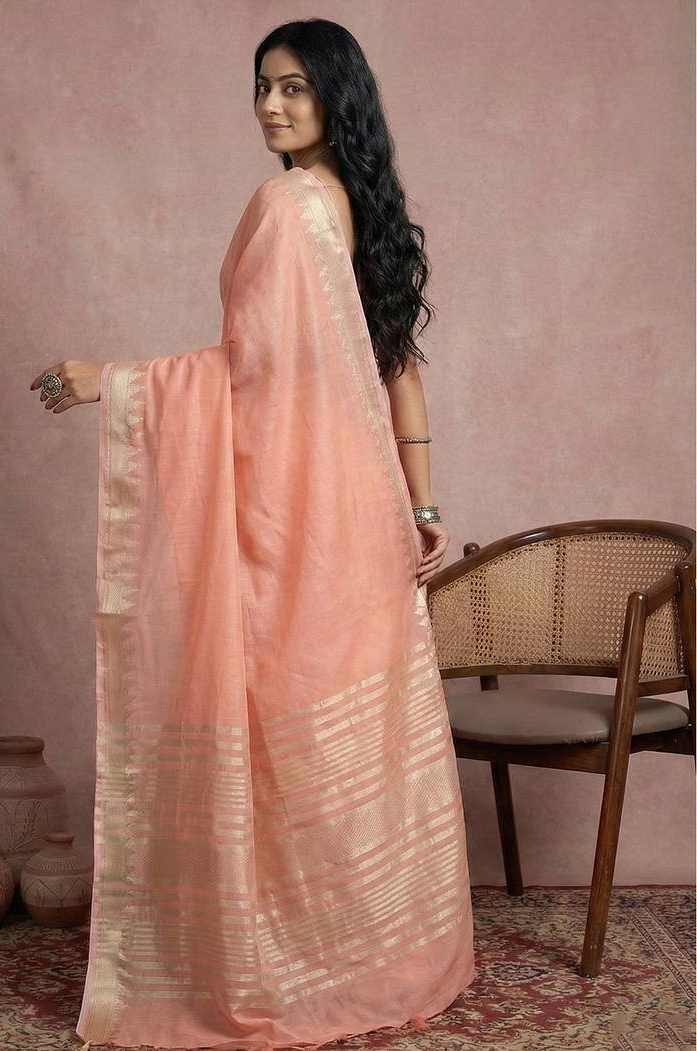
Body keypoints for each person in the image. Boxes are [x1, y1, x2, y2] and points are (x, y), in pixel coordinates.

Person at [31, 18, 475, 1051]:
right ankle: (378, 954)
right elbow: (397, 370)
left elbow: (254, 373)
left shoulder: (287, 207)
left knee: (283, 721)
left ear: (335, 96)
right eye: (262, 87)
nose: (271, 107)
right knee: (346, 734)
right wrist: (421, 505)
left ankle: (282, 963)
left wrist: (115, 382)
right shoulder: (366, 209)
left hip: (298, 514)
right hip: (360, 506)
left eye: (294, 88)